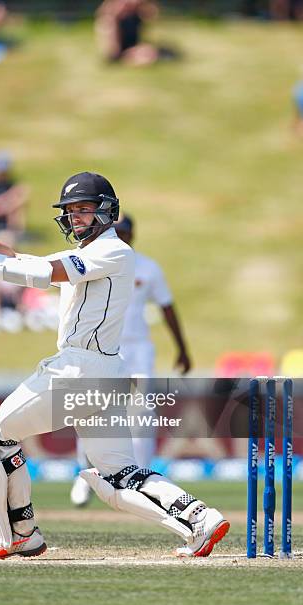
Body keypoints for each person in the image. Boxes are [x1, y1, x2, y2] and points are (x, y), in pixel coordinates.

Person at [0, 171, 229, 559]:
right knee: (120, 476)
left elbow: (43, 274)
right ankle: (199, 519)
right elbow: (30, 261)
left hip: (78, 371)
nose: (76, 218)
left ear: (107, 212)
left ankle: (21, 532)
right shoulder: (89, 254)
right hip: (105, 375)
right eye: (71, 211)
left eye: (84, 210)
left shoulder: (113, 251)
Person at [71, 214, 191, 506]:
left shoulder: (148, 268)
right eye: (116, 230)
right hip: (100, 347)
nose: (120, 236)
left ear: (133, 234)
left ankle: (142, 482)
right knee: (89, 408)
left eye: (124, 231)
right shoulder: (95, 261)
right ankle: (85, 475)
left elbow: (167, 307)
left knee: (141, 415)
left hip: (137, 350)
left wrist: (182, 349)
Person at [95, 0, 162, 65]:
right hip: (120, 53)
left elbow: (152, 14)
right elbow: (112, 51)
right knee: (147, 55)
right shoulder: (110, 20)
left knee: (152, 51)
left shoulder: (134, 15)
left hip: (133, 49)